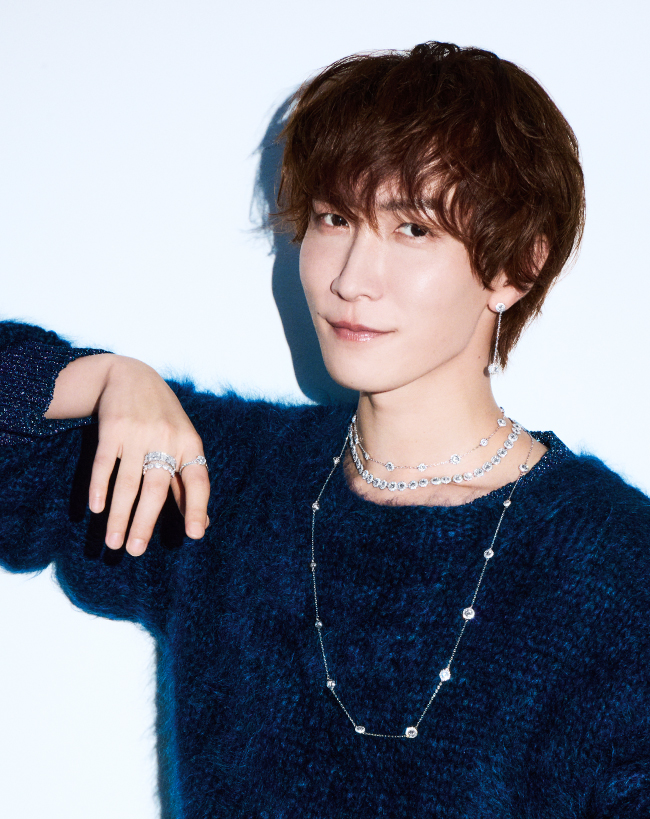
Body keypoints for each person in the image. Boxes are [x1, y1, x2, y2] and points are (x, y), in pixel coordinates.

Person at [1, 41, 648, 817]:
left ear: (518, 266)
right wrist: (103, 378)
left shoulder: (612, 565)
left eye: (412, 230)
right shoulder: (221, 478)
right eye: (334, 218)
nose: (350, 277)